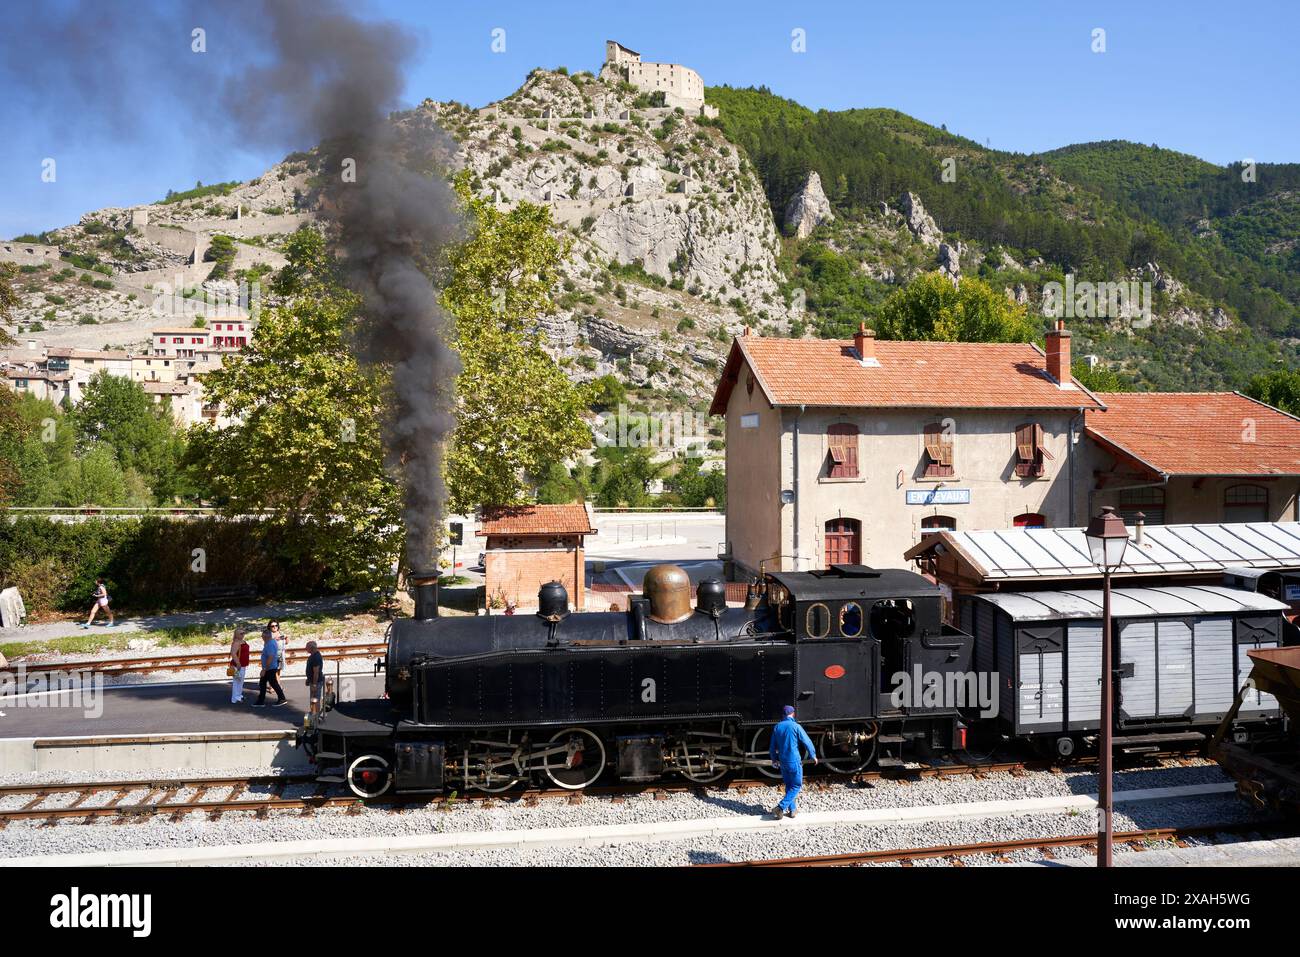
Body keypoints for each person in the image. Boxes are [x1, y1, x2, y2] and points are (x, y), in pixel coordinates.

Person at [768, 705, 817, 820]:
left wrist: (774, 759)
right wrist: (813, 755)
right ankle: (780, 807)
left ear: (783, 715)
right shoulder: (796, 726)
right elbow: (807, 741)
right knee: (796, 786)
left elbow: (772, 747)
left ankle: (793, 810)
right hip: (794, 761)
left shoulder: (777, 727)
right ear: (793, 714)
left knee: (789, 786)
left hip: (783, 762)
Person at [254, 621, 288, 707]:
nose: (262, 637)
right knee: (264, 683)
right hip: (271, 667)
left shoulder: (269, 644)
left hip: (269, 667)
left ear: (266, 636)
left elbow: (270, 657)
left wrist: (264, 669)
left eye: (262, 636)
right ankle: (261, 701)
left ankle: (281, 699)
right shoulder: (271, 642)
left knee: (272, 683)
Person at [229, 629, 250, 704]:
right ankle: (234, 698)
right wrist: (238, 663)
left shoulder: (243, 641)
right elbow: (233, 653)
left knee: (240, 681)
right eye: (241, 633)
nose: (243, 634)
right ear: (236, 634)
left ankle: (239, 695)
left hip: (242, 665)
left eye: (244, 633)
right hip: (237, 666)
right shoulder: (236, 643)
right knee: (237, 681)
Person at [304, 640, 324, 716]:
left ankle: (316, 716)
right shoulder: (313, 656)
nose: (305, 648)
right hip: (313, 681)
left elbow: (316, 672)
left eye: (307, 647)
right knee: (313, 699)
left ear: (311, 648)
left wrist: (314, 685)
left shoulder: (316, 657)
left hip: (316, 682)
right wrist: (308, 679)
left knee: (315, 700)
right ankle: (314, 714)